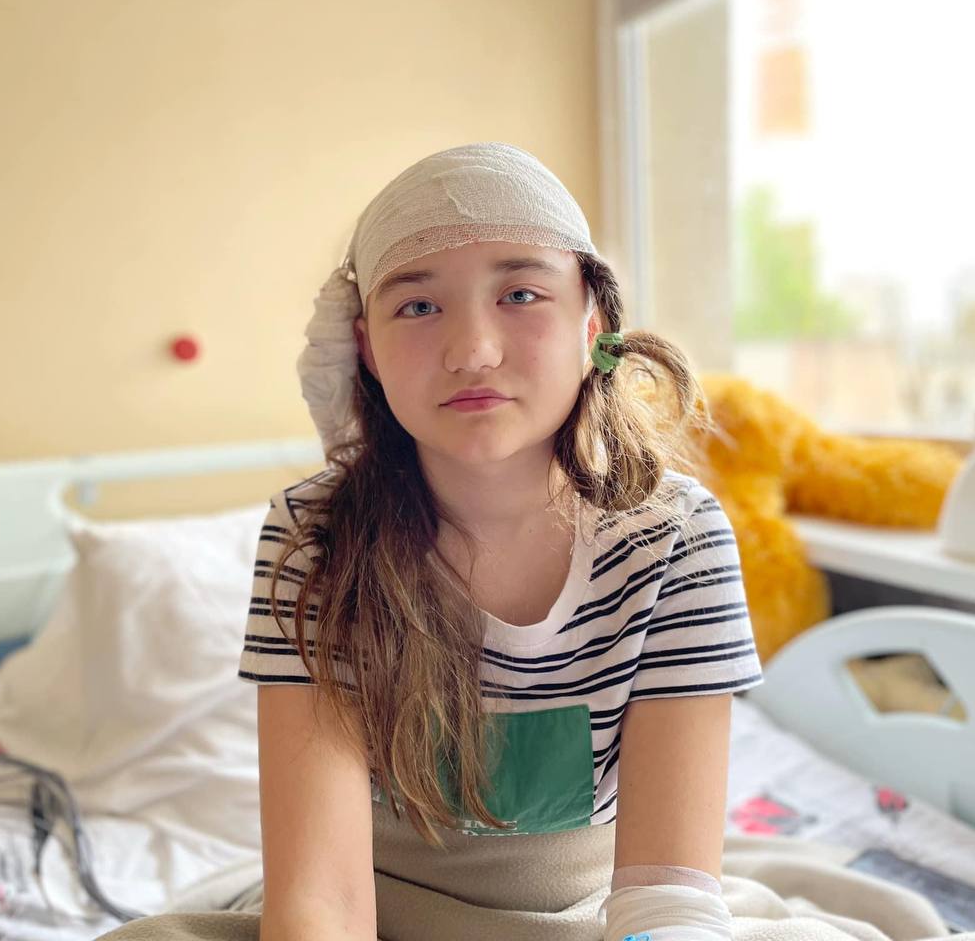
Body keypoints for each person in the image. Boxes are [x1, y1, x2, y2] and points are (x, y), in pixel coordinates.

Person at [242, 141, 765, 941]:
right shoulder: (317, 535)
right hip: (380, 907)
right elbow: (320, 902)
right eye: (419, 307)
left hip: (594, 913)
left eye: (521, 294)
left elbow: (666, 899)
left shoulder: (675, 539)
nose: (473, 351)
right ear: (368, 348)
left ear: (592, 327)